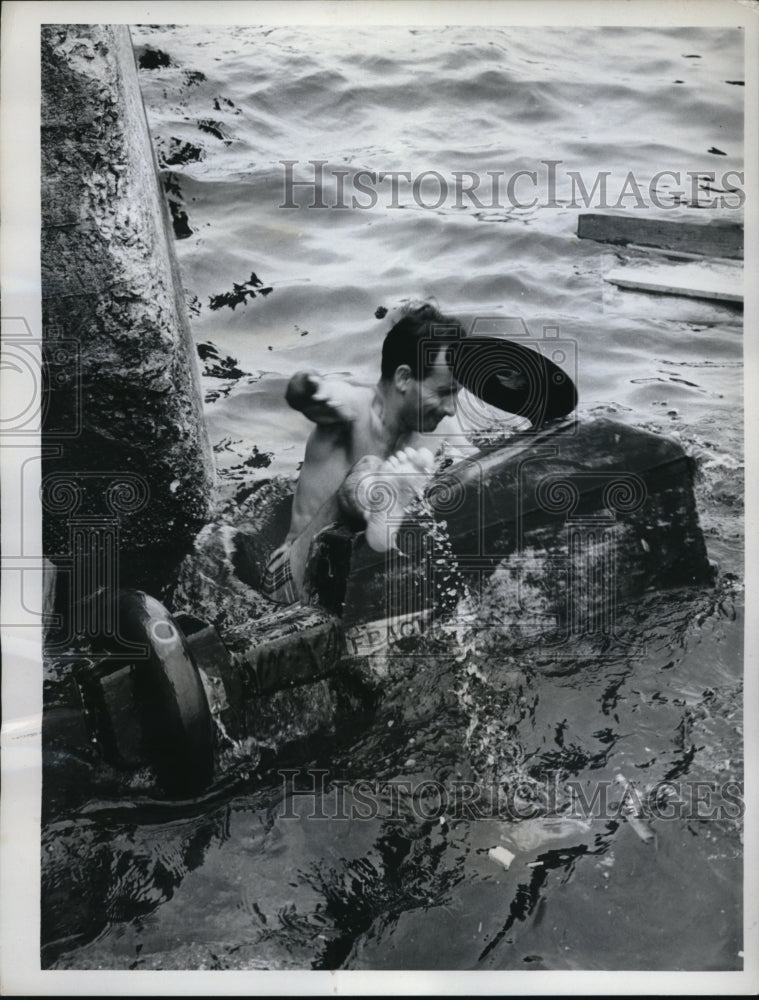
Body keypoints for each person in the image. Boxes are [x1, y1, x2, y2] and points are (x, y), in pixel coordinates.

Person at [260, 302, 464, 604]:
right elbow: (303, 393)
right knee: (368, 467)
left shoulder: (437, 429)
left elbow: (482, 469)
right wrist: (308, 389)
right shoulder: (354, 410)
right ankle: (380, 498)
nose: (451, 408)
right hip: (292, 583)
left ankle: (387, 505)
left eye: (456, 394)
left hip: (358, 582)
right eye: (444, 392)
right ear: (404, 378)